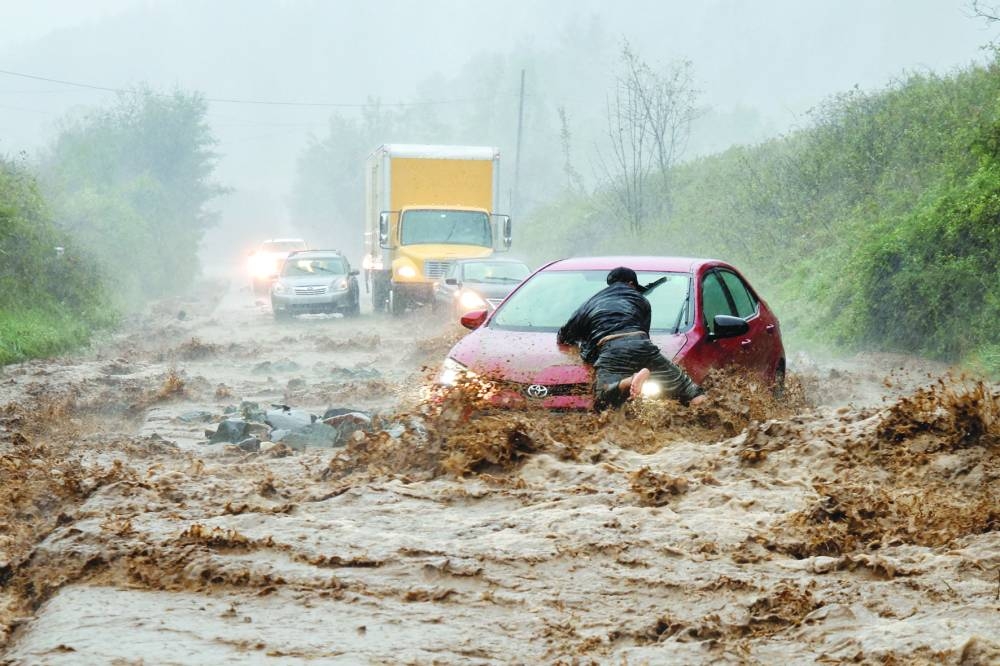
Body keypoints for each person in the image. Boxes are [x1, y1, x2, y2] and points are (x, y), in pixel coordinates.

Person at [557, 266, 707, 410]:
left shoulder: (590, 304)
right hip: (641, 343)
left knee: (601, 399)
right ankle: (709, 422)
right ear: (631, 284)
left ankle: (630, 380)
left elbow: (565, 335)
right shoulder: (642, 301)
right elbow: (643, 336)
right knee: (690, 389)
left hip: (611, 348)